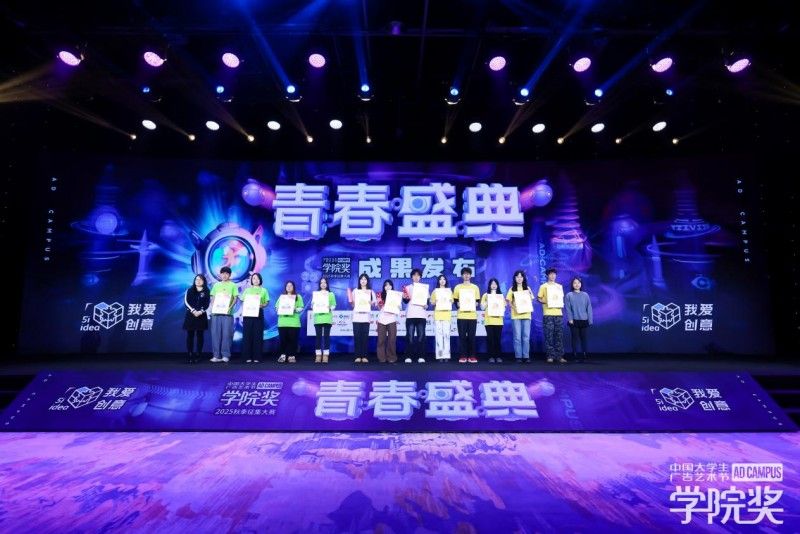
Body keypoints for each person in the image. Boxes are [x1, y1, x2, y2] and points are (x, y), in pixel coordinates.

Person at [209, 266, 239, 363]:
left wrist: (230, 307)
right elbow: (212, 297)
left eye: (227, 273)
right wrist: (213, 306)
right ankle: (216, 355)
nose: (224, 275)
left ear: (229, 275)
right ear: (220, 274)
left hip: (227, 314)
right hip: (216, 313)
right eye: (223, 273)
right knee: (215, 334)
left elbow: (235, 298)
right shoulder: (216, 285)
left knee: (227, 334)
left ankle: (225, 355)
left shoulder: (233, 285)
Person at [538, 267, 566, 363]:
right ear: (547, 275)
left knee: (559, 336)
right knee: (549, 336)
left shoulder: (559, 286)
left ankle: (560, 356)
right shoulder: (543, 286)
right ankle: (550, 356)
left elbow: (560, 299)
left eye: (554, 274)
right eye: (550, 274)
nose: (552, 276)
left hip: (558, 314)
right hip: (548, 314)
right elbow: (539, 298)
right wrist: (547, 301)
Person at [239, 273, 269, 363]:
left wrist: (262, 305)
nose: (256, 280)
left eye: (257, 278)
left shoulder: (264, 290)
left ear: (260, 280)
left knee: (258, 335)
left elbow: (267, 302)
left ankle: (257, 357)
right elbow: (242, 301)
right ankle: (247, 356)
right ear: (251, 280)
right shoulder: (247, 290)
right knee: (247, 335)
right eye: (254, 278)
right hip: (248, 313)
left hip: (258, 313)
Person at [452, 267, 480, 363]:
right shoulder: (457, 287)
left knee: (472, 337)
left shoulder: (475, 287)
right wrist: (458, 304)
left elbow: (477, 301)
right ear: (462, 275)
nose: (466, 275)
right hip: (461, 316)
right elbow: (455, 301)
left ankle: (472, 356)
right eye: (464, 274)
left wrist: (476, 304)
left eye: (468, 274)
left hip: (472, 316)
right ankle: (463, 356)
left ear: (470, 275)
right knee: (462, 337)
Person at [506, 270, 534, 363]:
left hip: (526, 315)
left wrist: (526, 303)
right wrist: (515, 308)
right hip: (516, 315)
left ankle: (526, 356)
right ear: (515, 278)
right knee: (517, 337)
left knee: (526, 336)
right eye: (517, 276)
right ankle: (518, 356)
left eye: (521, 276)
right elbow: (509, 302)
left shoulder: (527, 288)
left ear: (523, 278)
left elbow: (531, 300)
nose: (519, 278)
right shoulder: (512, 289)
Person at [402, 268, 428, 363]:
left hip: (421, 315)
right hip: (410, 314)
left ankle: (421, 356)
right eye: (414, 275)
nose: (416, 277)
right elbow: (405, 301)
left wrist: (426, 305)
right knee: (410, 336)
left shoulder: (424, 288)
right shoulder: (407, 288)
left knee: (421, 336)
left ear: (420, 277)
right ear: (411, 277)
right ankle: (408, 356)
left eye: (418, 275)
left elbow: (427, 302)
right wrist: (404, 297)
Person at [183, 274, 210, 363]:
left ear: (204, 281)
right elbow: (186, 302)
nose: (198, 281)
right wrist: (193, 310)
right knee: (190, 335)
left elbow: (207, 304)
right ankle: (190, 354)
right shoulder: (189, 290)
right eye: (196, 279)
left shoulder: (207, 291)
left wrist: (200, 311)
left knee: (200, 336)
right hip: (191, 315)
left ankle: (198, 354)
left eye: (200, 279)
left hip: (201, 315)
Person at [565, 277, 593, 363]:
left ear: (581, 284)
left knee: (584, 338)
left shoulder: (585, 295)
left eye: (578, 283)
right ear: (572, 284)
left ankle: (584, 354)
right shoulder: (569, 295)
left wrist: (590, 320)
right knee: (574, 338)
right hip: (574, 320)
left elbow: (589, 308)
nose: (577, 284)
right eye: (575, 283)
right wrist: (570, 319)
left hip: (584, 320)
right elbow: (568, 308)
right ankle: (575, 355)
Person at [349, 273, 376, 364]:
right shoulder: (355, 291)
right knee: (357, 337)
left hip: (366, 317)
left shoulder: (370, 292)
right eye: (361, 279)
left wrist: (371, 303)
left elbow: (375, 304)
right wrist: (352, 302)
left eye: (365, 279)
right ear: (359, 281)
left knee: (365, 337)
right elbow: (353, 305)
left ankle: (364, 356)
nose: (363, 281)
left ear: (367, 281)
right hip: (356, 317)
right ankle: (357, 356)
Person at [276, 280, 304, 363]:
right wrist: (279, 309)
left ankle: (292, 356)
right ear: (285, 287)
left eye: (291, 285)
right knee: (283, 340)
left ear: (293, 287)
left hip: (294, 323)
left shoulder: (298, 296)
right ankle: (283, 355)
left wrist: (295, 309)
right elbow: (276, 307)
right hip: (282, 322)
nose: (289, 287)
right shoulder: (282, 297)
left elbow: (301, 308)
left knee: (293, 340)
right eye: (287, 286)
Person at [312, 277, 336, 363]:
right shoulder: (316, 294)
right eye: (321, 282)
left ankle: (326, 355)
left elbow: (334, 305)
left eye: (324, 282)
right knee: (318, 337)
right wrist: (314, 305)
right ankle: (318, 355)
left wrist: (329, 308)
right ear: (319, 284)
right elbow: (312, 305)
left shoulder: (331, 294)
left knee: (326, 337)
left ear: (327, 284)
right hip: (318, 318)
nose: (323, 284)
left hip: (327, 318)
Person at [481, 278, 506, 363]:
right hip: (489, 320)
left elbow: (504, 307)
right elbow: (482, 307)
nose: (494, 285)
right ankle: (491, 356)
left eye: (495, 284)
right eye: (492, 284)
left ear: (498, 285)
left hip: (498, 321)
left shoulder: (501, 296)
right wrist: (488, 301)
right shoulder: (485, 295)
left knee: (497, 339)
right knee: (490, 339)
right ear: (489, 285)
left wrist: (501, 308)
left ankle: (498, 356)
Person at [429, 274, 452, 362]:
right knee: (439, 336)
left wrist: (449, 301)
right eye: (440, 279)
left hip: (447, 315)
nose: (442, 281)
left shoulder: (449, 291)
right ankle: (440, 355)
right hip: (438, 315)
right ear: (438, 281)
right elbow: (431, 302)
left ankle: (446, 355)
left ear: (446, 281)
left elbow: (452, 301)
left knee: (446, 335)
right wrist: (435, 302)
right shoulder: (435, 291)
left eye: (444, 279)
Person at [375, 280, 398, 363]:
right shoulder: (380, 295)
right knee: (381, 339)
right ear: (384, 287)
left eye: (389, 285)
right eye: (386, 285)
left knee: (392, 339)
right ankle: (381, 357)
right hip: (382, 319)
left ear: (392, 286)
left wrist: (398, 306)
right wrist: (379, 303)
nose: (387, 287)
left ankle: (391, 357)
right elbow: (379, 308)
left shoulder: (396, 295)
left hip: (392, 319)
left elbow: (399, 308)